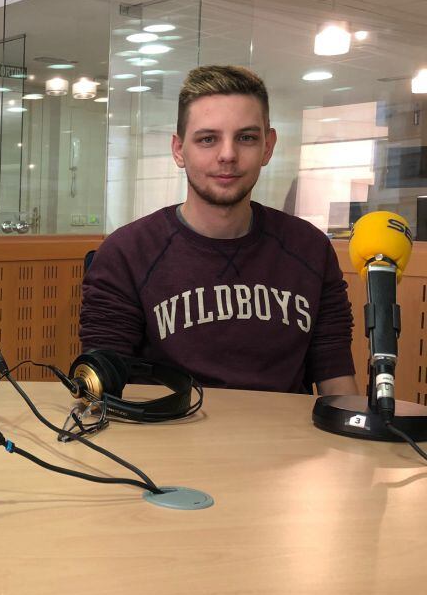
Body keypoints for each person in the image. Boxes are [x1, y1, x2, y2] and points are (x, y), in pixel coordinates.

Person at [80, 64, 357, 395]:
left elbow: (338, 385)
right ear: (179, 149)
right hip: (164, 439)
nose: (228, 155)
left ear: (267, 147)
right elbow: (103, 390)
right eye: (208, 139)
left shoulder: (310, 249)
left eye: (246, 138)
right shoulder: (127, 252)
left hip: (285, 442)